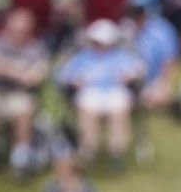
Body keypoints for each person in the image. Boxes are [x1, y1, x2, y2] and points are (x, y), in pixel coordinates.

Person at [0, 8, 51, 174]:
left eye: (23, 30)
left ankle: (20, 155)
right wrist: (16, 71)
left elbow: (40, 72)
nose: (19, 33)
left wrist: (31, 74)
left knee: (23, 110)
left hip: (19, 93)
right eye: (16, 29)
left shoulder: (36, 48)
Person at [56, 19, 146, 163]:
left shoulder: (121, 56)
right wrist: (74, 81)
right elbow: (63, 75)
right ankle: (88, 150)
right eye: (97, 42)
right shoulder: (82, 56)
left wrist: (129, 76)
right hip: (90, 92)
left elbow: (138, 70)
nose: (100, 45)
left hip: (115, 91)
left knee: (119, 111)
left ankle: (116, 151)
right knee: (88, 111)